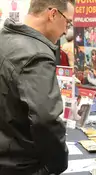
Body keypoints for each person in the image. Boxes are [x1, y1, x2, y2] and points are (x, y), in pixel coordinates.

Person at [0, 0, 74, 174]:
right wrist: (58, 163)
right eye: (68, 22)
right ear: (53, 14)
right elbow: (46, 119)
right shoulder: (37, 54)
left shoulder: (4, 39)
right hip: (22, 163)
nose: (65, 30)